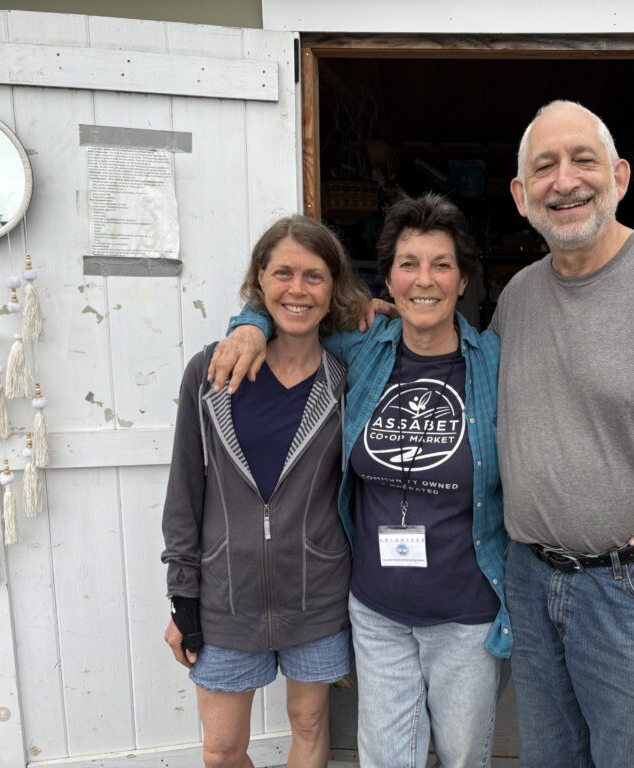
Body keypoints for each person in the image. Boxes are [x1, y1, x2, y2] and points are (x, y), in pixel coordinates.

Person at [212, 102, 634, 767]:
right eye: (544, 167)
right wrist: (250, 321)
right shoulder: (519, 298)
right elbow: (306, 300)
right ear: (522, 196)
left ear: (620, 176)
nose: (566, 180)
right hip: (531, 583)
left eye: (583, 160)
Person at [214, 193, 510, 768]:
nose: (424, 280)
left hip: (467, 616)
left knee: (463, 756)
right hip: (377, 611)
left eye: (440, 264)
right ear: (390, 280)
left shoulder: (497, 361)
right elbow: (291, 314)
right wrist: (247, 324)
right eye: (408, 264)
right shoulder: (359, 349)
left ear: (464, 280)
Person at [161, 215, 371, 768]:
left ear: (333, 289)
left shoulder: (346, 379)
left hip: (318, 593)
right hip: (227, 597)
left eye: (314, 276)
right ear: (260, 280)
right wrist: (183, 597)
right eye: (283, 273)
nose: (297, 290)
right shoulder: (212, 371)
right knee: (222, 750)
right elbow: (184, 489)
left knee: (308, 724)